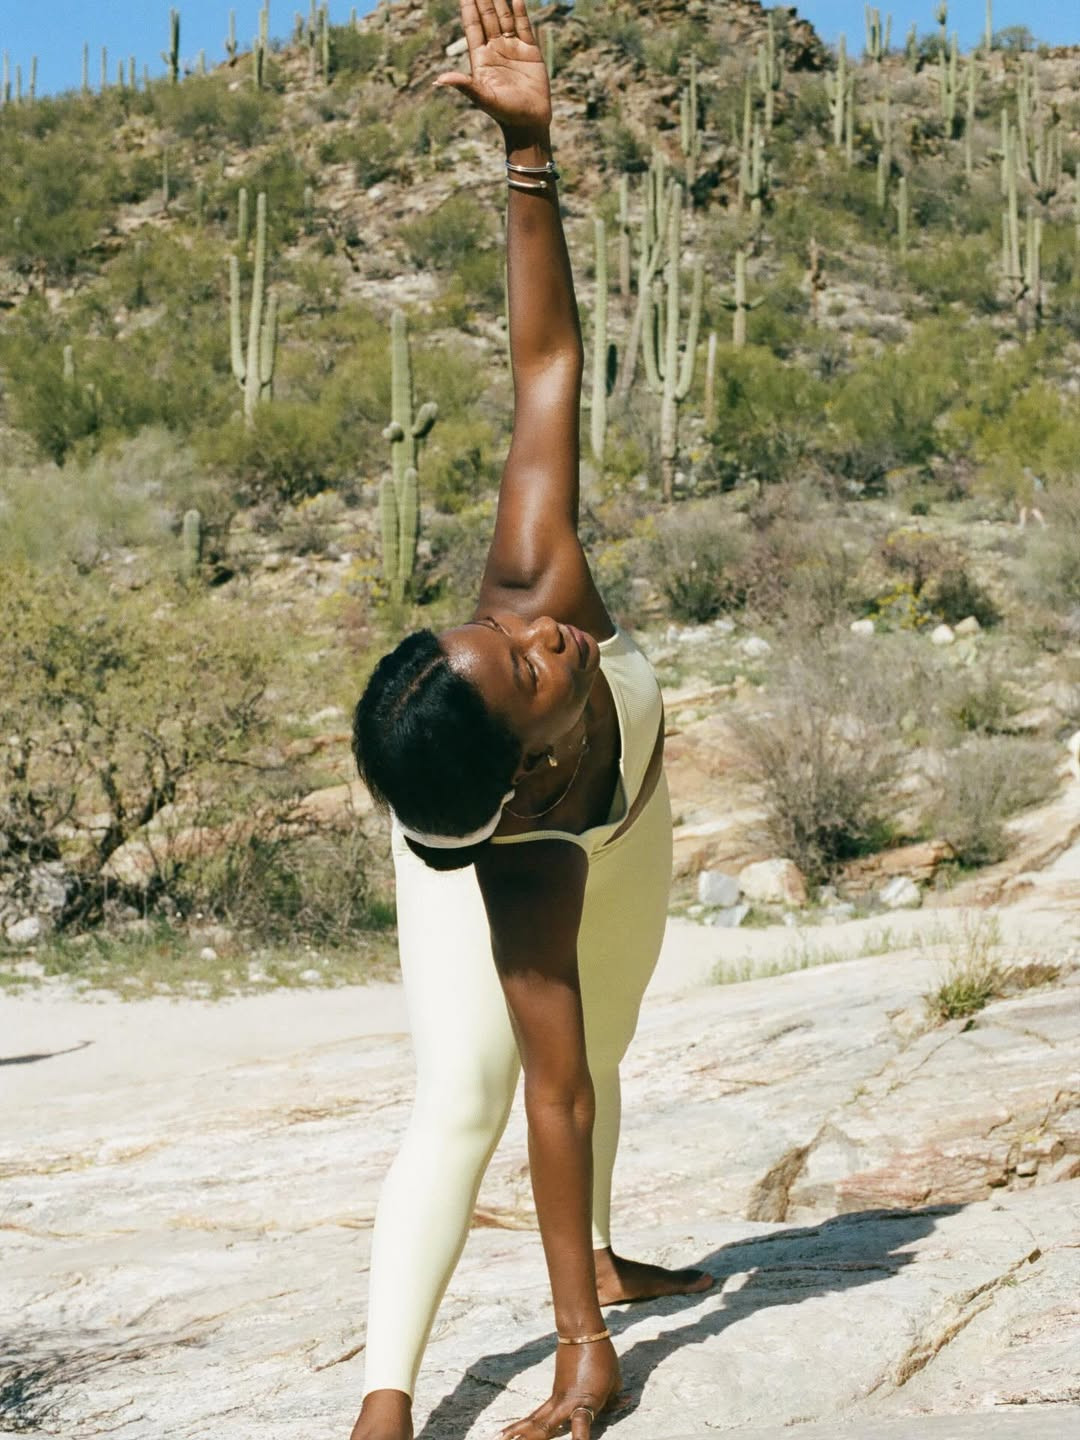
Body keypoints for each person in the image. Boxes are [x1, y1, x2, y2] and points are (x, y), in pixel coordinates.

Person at [349, 3, 711, 1436]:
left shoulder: (531, 575)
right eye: (530, 668)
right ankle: (383, 1401)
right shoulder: (515, 866)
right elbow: (538, 1098)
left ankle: (608, 1262)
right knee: (472, 1093)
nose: (541, 631)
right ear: (523, 756)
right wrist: (579, 1361)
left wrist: (528, 157)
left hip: (629, 811)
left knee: (607, 1047)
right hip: (552, 848)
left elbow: (544, 365)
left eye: (500, 638)